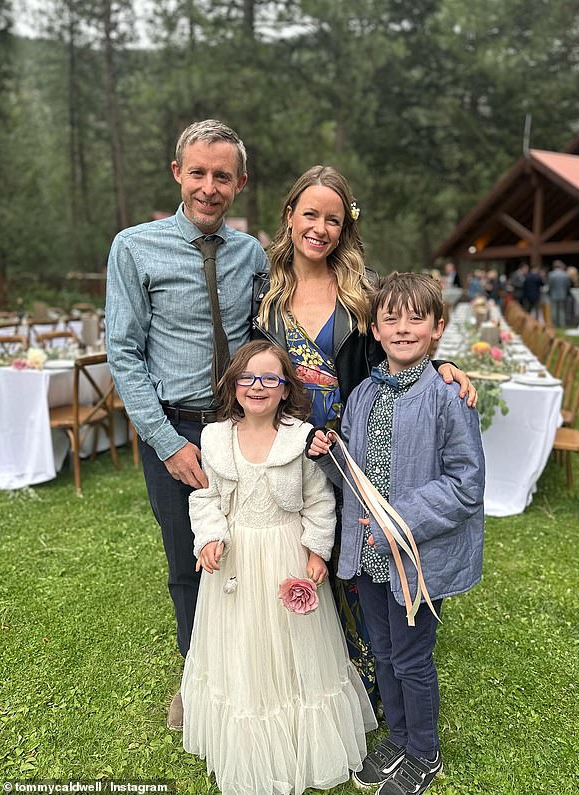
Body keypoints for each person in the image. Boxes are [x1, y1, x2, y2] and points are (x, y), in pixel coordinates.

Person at [253, 165, 477, 707]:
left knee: (358, 562)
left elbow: (398, 349)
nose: (320, 228)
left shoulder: (365, 290)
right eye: (310, 214)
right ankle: (307, 674)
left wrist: (444, 367)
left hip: (355, 451)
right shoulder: (262, 293)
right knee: (300, 556)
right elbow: (251, 368)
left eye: (333, 218)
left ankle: (372, 676)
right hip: (288, 447)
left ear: (345, 226)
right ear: (290, 217)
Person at [105, 119, 268, 729]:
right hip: (173, 428)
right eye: (197, 173)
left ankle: (248, 666)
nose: (208, 187)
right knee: (189, 559)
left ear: (239, 183)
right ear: (178, 173)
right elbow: (124, 353)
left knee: (250, 551)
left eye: (221, 176)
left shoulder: (251, 255)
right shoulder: (134, 247)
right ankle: (197, 674)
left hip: (242, 425)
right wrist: (168, 443)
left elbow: (280, 331)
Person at [308, 271, 485, 795]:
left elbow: (465, 486)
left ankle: (424, 752)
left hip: (414, 558)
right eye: (391, 318)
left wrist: (396, 520)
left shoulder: (447, 395)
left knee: (411, 657)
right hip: (369, 556)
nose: (403, 328)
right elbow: (356, 472)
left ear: (437, 328)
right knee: (382, 652)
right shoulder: (362, 394)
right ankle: (399, 737)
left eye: (416, 318)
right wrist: (329, 457)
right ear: (375, 328)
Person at [181, 340, 377, 795]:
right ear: (233, 384)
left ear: (286, 388)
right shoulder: (214, 438)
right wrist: (210, 537)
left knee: (292, 648)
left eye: (271, 378)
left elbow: (319, 501)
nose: (258, 386)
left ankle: (299, 736)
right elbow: (205, 497)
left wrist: (314, 550)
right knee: (244, 643)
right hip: (237, 562)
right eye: (248, 377)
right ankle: (248, 738)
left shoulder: (299, 439)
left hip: (286, 554)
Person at [547, 260, 572, 327]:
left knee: (554, 310)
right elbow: (568, 285)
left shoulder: (551, 274)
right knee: (562, 310)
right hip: (563, 294)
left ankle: (554, 324)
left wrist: (549, 293)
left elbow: (549, 285)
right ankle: (562, 324)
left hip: (553, 294)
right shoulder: (565, 274)